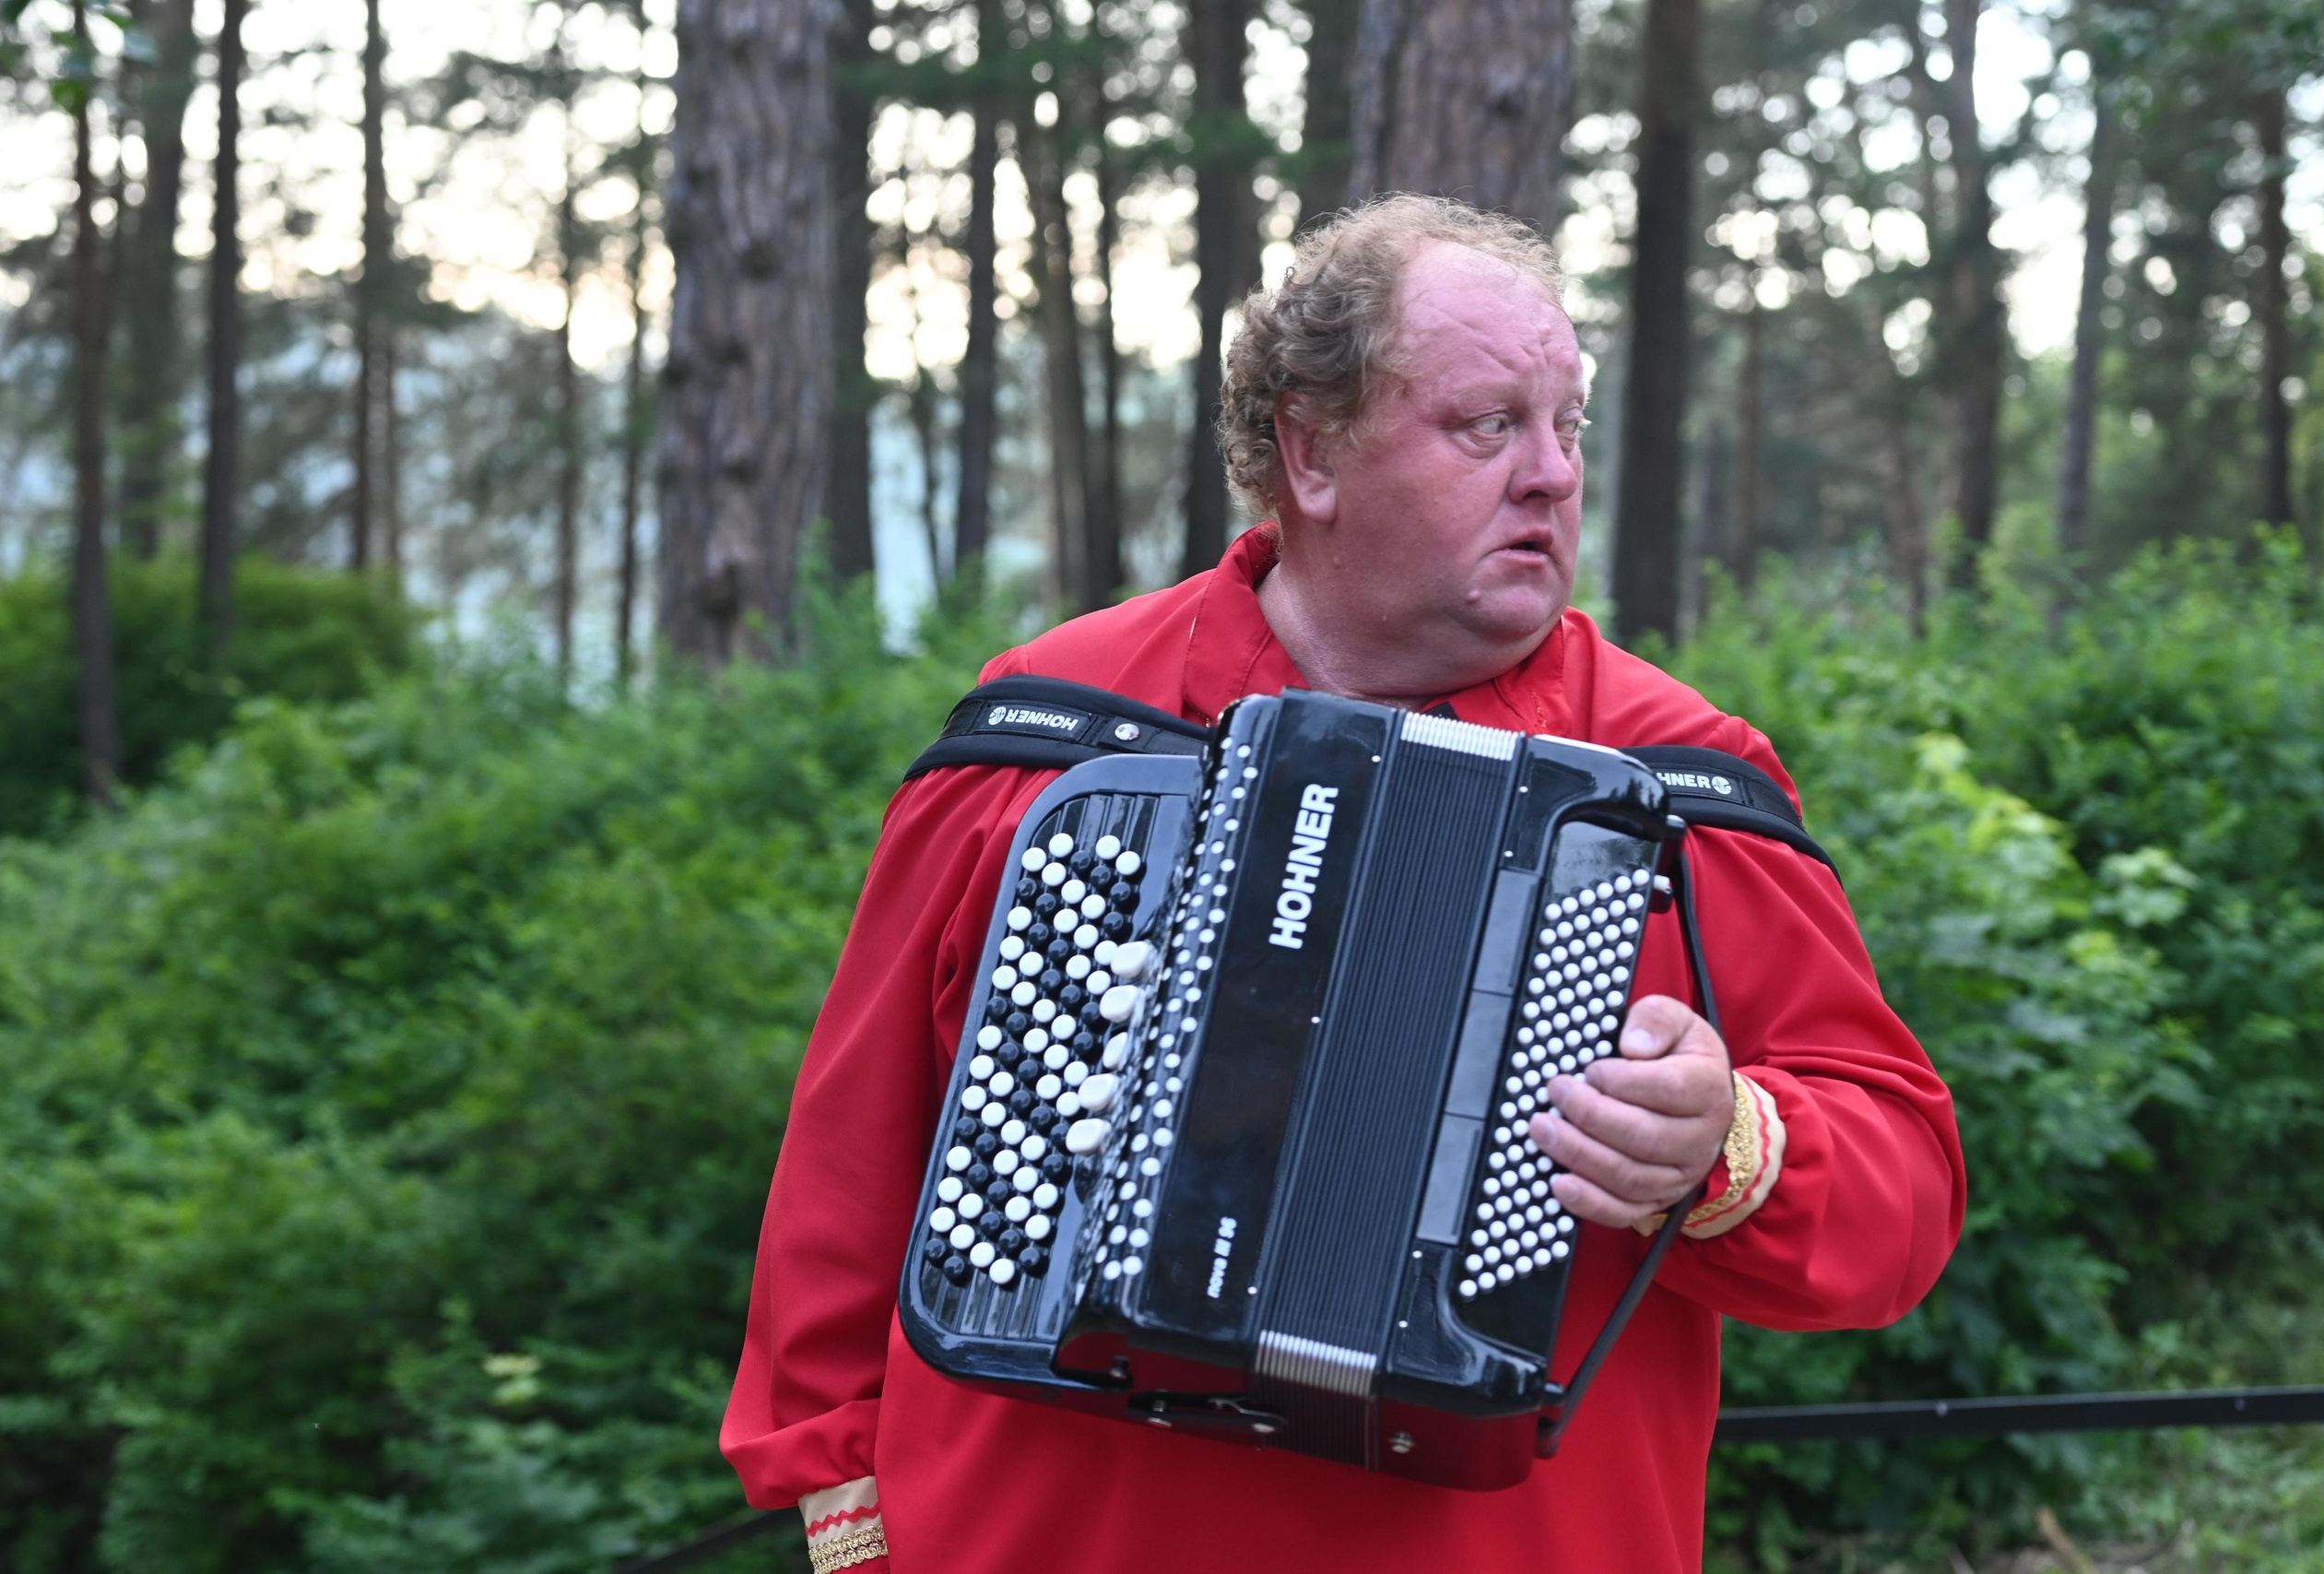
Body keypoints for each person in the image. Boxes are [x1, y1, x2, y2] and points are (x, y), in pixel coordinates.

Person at [722, 194, 1965, 1574]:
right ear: (1311, 452)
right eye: (1488, 425)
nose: (1552, 476)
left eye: (1568, 426)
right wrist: (850, 1519)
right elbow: (849, 1164)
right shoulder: (1054, 730)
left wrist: (1727, 1144)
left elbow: (1903, 1200)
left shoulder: (1680, 781)